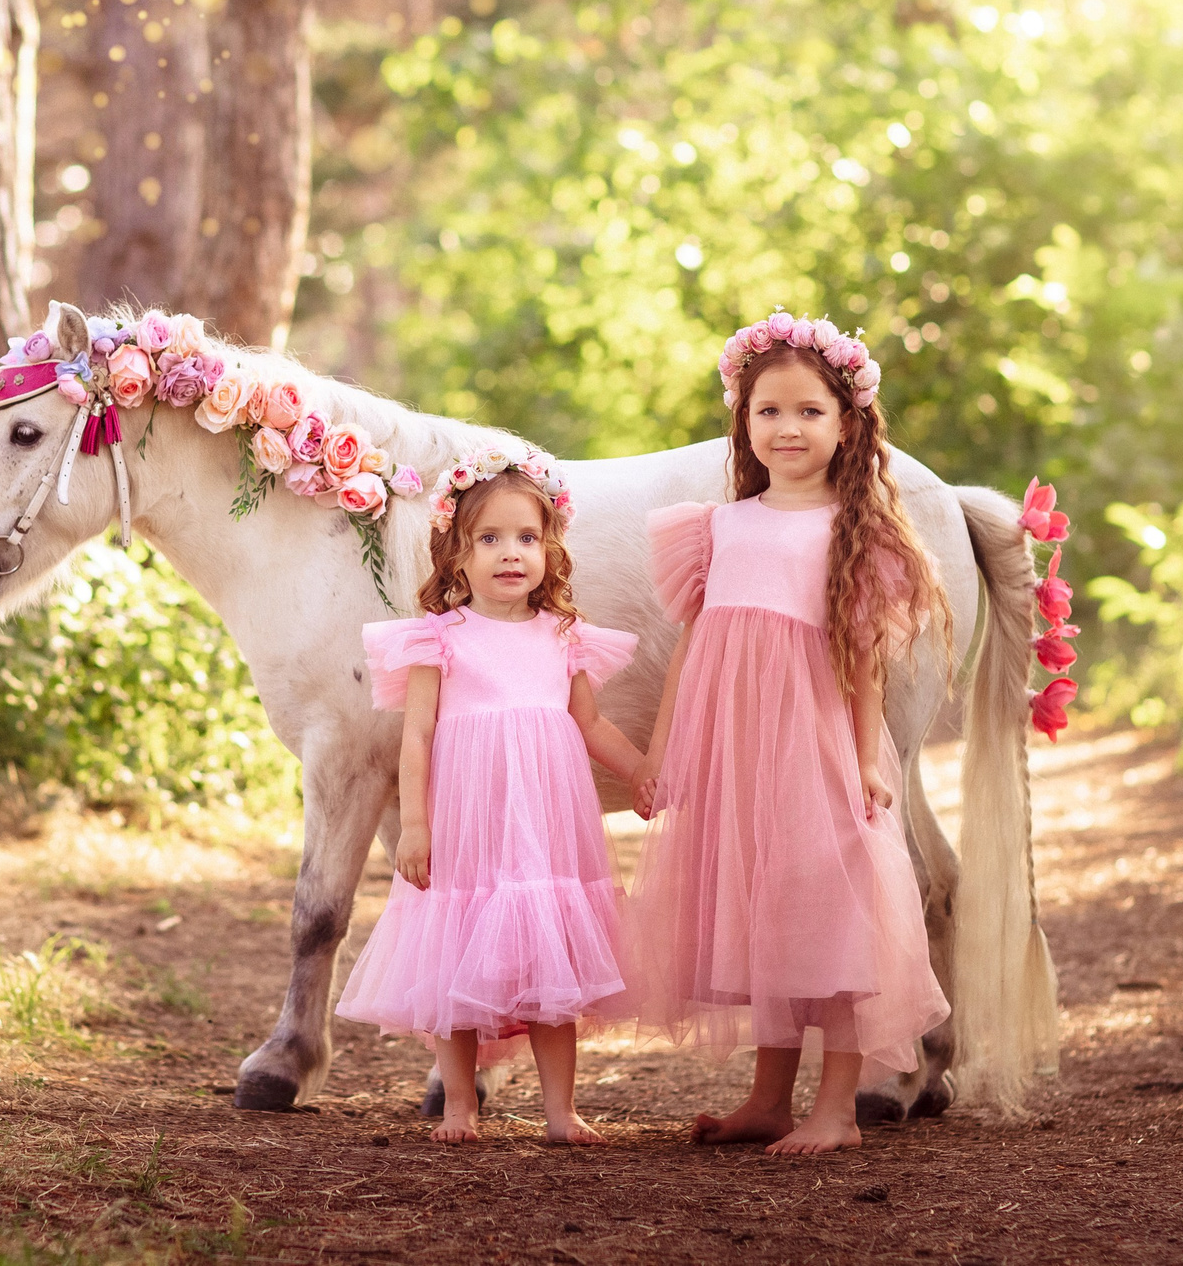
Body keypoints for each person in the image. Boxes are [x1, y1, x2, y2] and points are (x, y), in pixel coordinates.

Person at [626, 313, 952, 1155]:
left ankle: (837, 1107)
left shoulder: (855, 533)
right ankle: (768, 1098)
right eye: (768, 411)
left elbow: (865, 663)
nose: (787, 427)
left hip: (817, 745)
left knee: (832, 911)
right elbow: (693, 648)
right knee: (766, 910)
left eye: (809, 410)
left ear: (847, 424)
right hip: (740, 751)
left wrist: (865, 755)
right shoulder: (719, 527)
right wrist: (666, 755)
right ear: (744, 422)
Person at [336, 446, 643, 1144]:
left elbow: (590, 723)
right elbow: (415, 740)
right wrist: (415, 827)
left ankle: (561, 1111)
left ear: (549, 549)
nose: (512, 553)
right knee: (457, 953)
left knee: (551, 961)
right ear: (457, 553)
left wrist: (643, 770)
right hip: (469, 824)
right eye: (491, 539)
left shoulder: (564, 636)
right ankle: (458, 1105)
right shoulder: (439, 640)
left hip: (546, 823)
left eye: (528, 538)